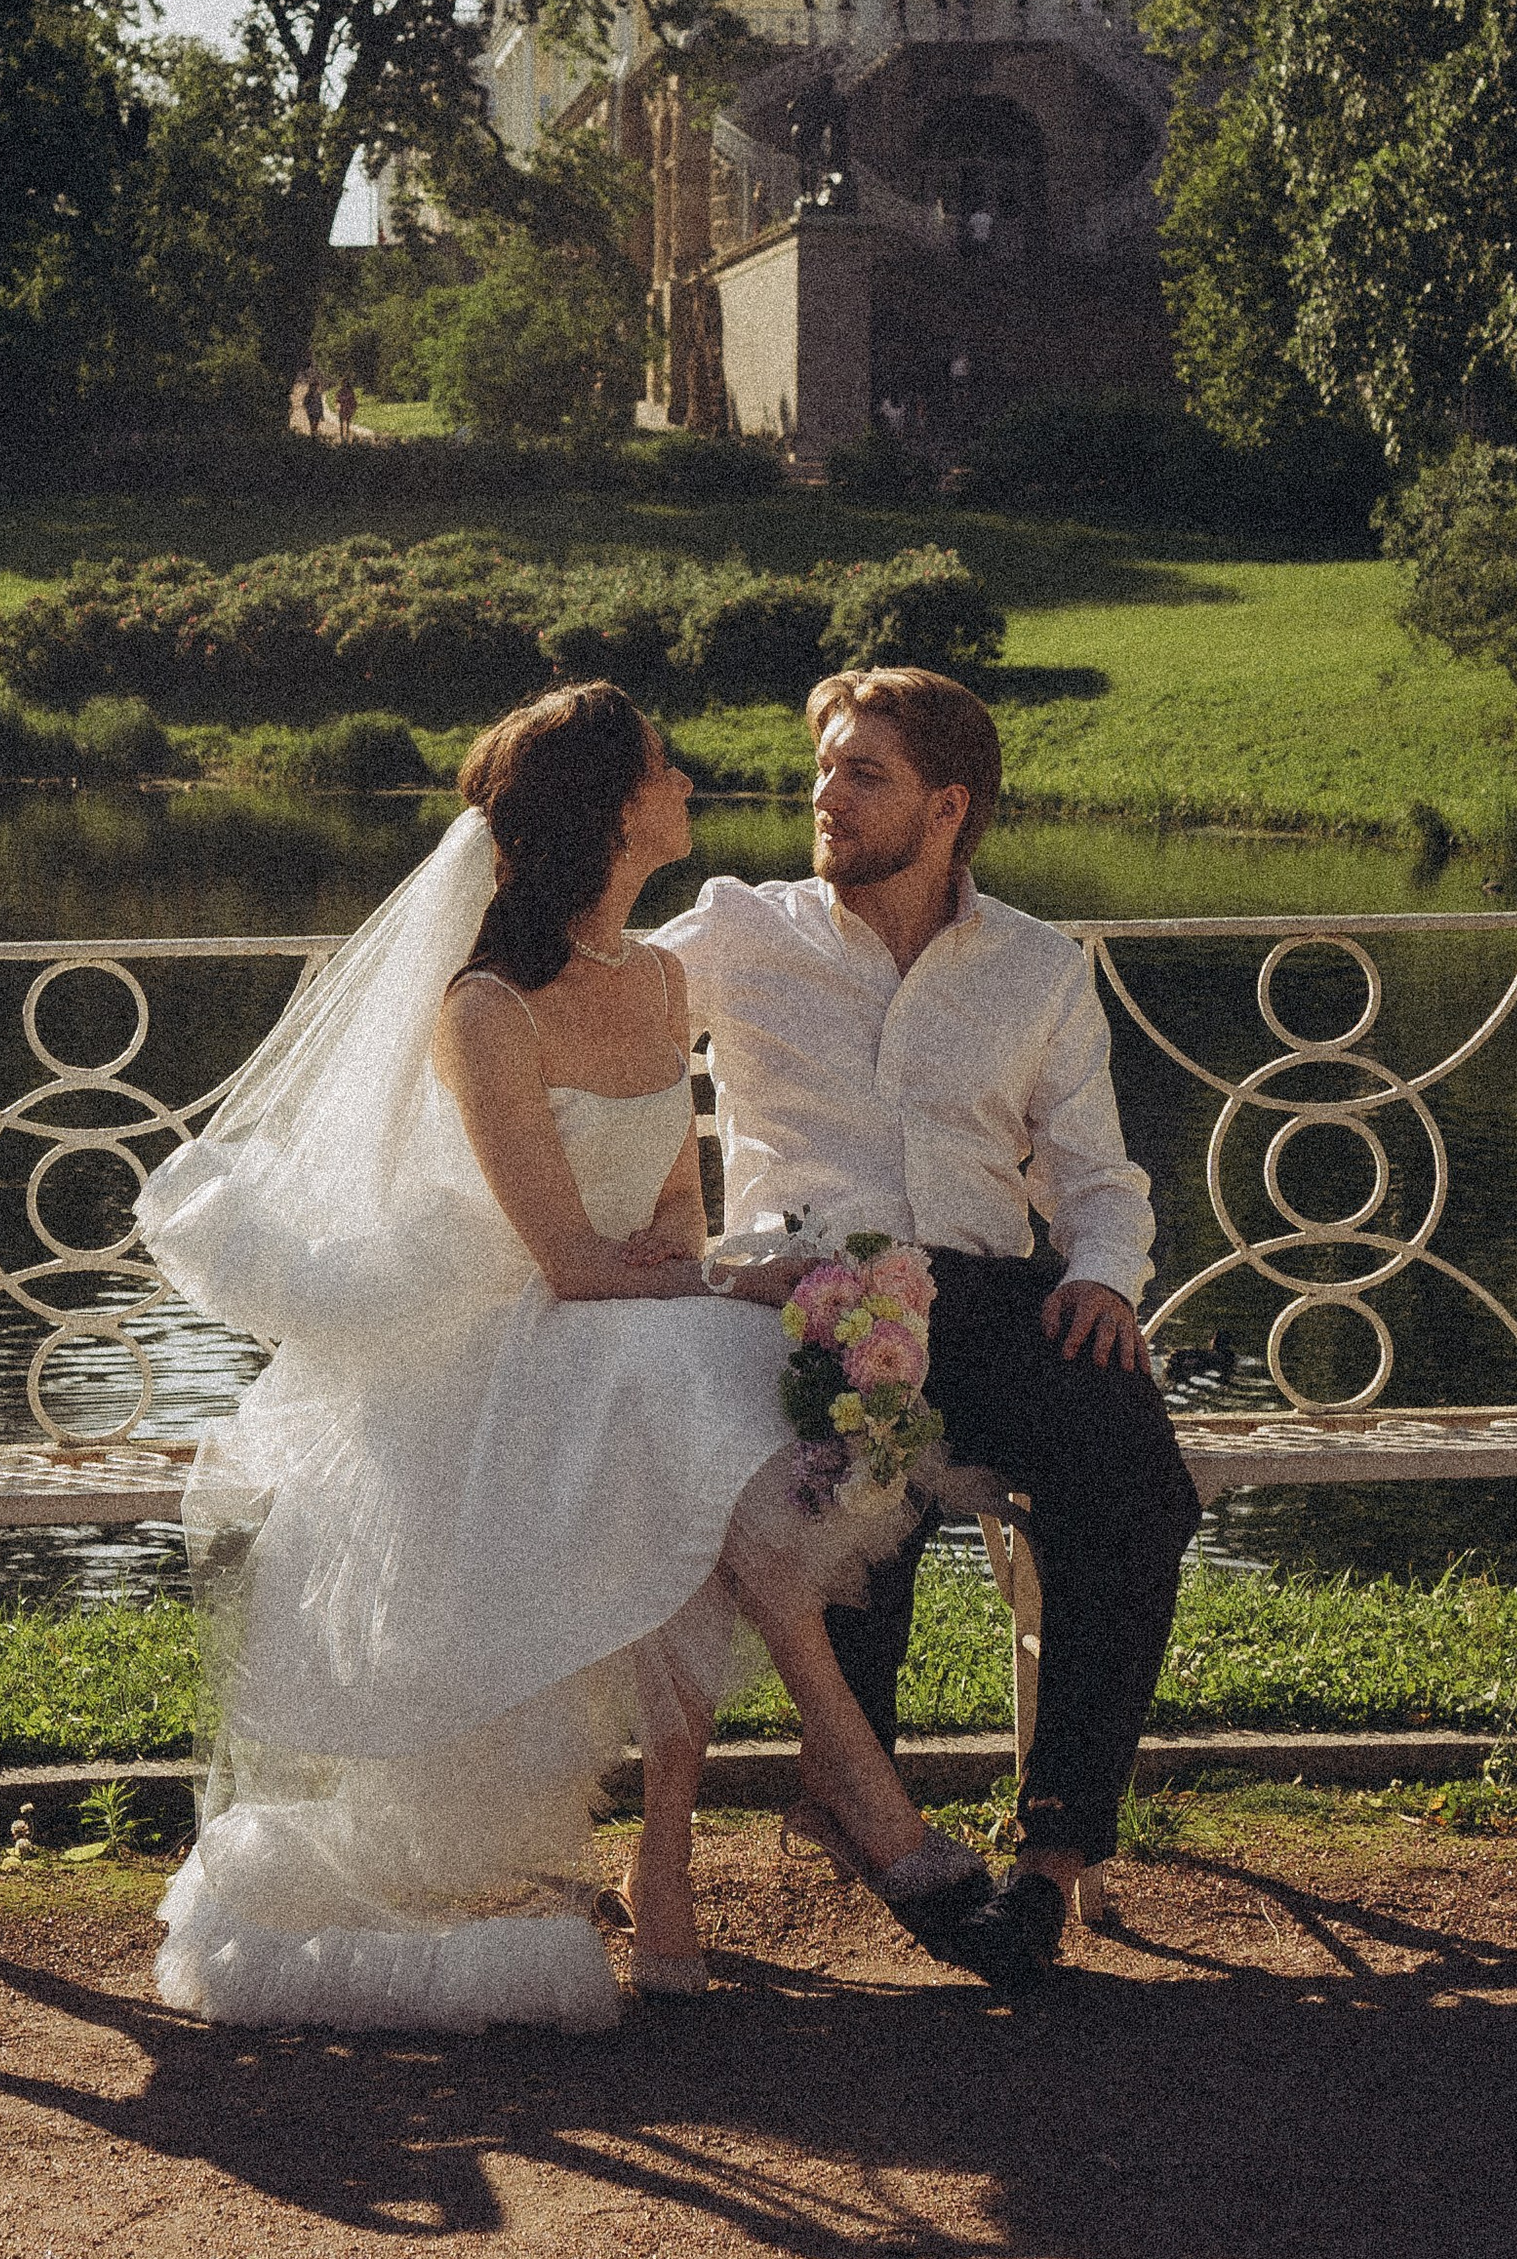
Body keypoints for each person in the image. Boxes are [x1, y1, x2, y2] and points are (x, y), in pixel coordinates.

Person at [133, 682, 987, 2034]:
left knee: (715, 1395)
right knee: (696, 1399)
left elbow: (667, 1225)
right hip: (486, 1351)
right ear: (610, 813)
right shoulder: (484, 1008)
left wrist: (733, 1276)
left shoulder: (658, 980)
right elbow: (567, 1262)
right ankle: (854, 1810)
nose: (689, 783)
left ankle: (687, 1857)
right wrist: (723, 1279)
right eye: (665, 767)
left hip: (620, 1330)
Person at [652, 667, 1201, 1983]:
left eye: (863, 775)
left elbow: (1099, 1176)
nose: (824, 800)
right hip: (799, 1297)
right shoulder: (740, 930)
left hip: (990, 1296)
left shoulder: (1037, 966)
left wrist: (1104, 1280)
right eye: (824, 769)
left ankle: (1052, 1854)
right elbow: (595, 1029)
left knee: (1133, 1474)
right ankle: (864, 1793)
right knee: (850, 1448)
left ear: (949, 806)